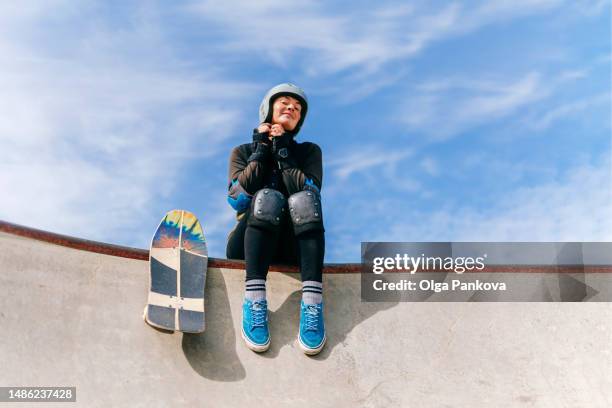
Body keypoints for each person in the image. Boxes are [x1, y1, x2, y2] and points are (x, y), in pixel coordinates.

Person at [226, 83, 326, 355]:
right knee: (267, 197)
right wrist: (261, 148)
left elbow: (308, 192)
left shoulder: (308, 152)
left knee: (304, 200)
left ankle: (312, 303)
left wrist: (282, 150)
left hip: (293, 247)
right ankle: (254, 300)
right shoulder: (243, 151)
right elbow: (238, 199)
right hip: (248, 247)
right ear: (268, 109)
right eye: (284, 102)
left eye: (298, 108)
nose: (291, 108)